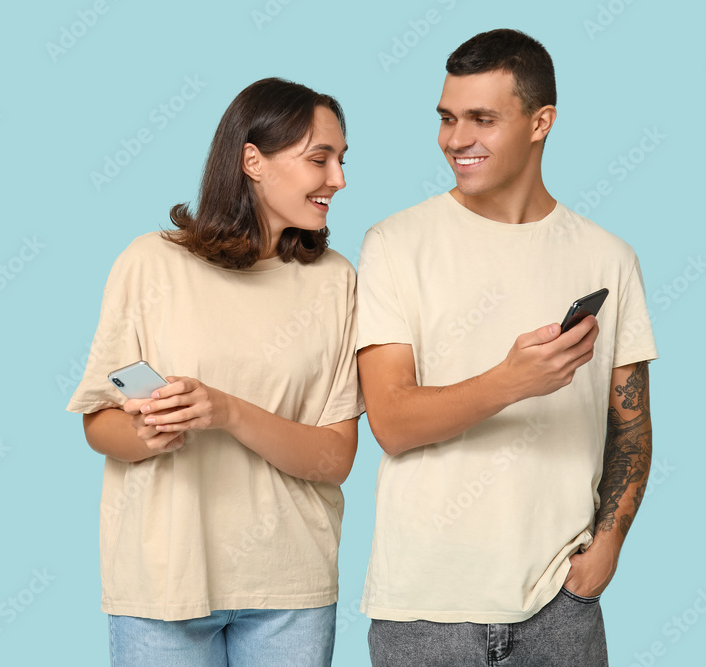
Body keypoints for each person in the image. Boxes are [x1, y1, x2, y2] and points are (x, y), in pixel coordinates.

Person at [356, 29, 657, 666]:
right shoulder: (394, 243)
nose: (456, 139)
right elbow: (391, 421)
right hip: (424, 610)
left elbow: (630, 427)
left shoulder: (609, 257)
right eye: (446, 118)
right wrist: (513, 380)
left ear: (541, 122)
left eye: (482, 119)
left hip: (561, 606)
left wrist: (607, 550)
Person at [67, 77, 364, 666]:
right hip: (162, 584)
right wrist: (146, 434)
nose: (339, 179)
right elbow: (99, 424)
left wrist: (227, 411)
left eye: (341, 160)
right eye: (319, 159)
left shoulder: (335, 281)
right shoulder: (150, 264)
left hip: (290, 587)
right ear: (253, 160)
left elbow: (337, 458)